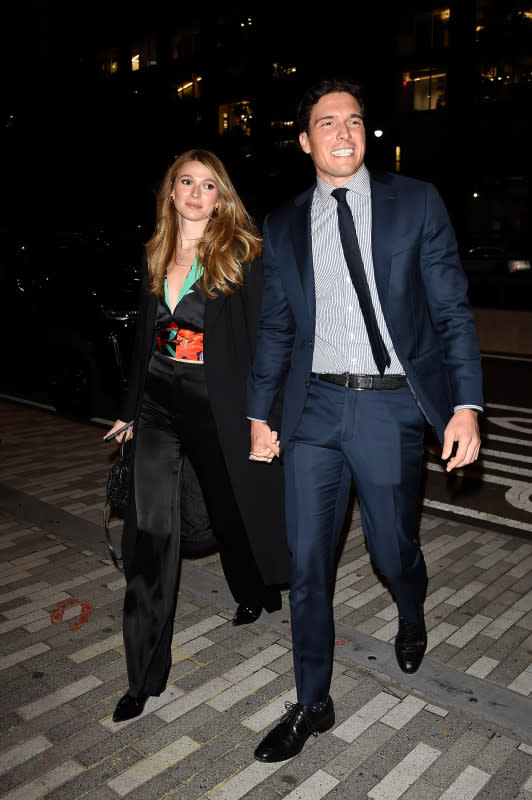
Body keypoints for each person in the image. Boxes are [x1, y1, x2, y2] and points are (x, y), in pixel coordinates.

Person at [246, 78, 483, 762]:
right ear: (304, 141)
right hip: (313, 406)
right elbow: (277, 327)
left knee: (390, 550)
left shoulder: (416, 202)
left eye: (353, 121)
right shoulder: (285, 223)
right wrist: (261, 411)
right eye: (327, 123)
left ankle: (412, 605)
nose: (344, 133)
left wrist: (464, 405)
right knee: (309, 564)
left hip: (388, 405)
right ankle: (312, 702)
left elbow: (452, 312)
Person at [105, 149, 290, 723]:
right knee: (151, 534)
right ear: (170, 191)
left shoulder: (242, 255)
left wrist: (265, 418)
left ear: (221, 196)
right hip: (160, 406)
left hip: (218, 406)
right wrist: (131, 409)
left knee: (232, 512)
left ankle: (254, 589)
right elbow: (143, 340)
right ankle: (143, 675)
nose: (194, 193)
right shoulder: (154, 253)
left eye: (207, 185)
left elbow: (266, 344)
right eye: (185, 182)